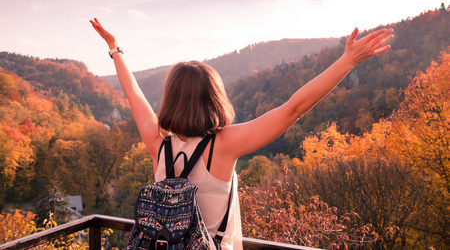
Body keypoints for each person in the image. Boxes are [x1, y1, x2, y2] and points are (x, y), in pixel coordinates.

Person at [90, 18, 394, 249]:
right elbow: (293, 108)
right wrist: (348, 61)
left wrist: (115, 49)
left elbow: (134, 95)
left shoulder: (160, 146)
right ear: (214, 97)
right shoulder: (223, 145)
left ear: (170, 98)